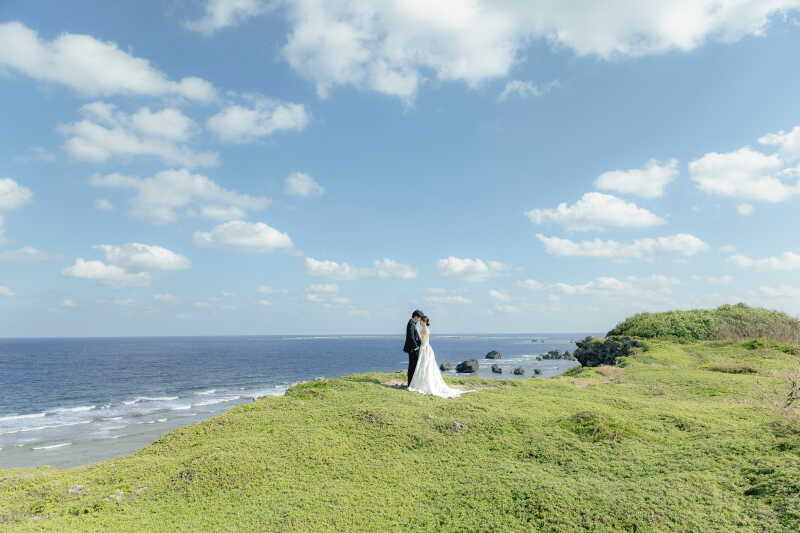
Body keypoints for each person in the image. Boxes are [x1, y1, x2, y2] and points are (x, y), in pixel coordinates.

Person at [407, 314, 475, 398]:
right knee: (425, 367)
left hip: (425, 349)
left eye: (421, 320)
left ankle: (424, 384)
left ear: (424, 321)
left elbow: (423, 342)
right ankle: (423, 383)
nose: (419, 322)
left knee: (425, 367)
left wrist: (417, 332)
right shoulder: (425, 329)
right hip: (426, 349)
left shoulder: (425, 330)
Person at [403, 310, 423, 387]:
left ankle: (411, 383)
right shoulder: (411, 323)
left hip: (412, 348)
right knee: (412, 366)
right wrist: (416, 347)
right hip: (412, 349)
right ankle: (410, 383)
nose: (419, 320)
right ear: (416, 317)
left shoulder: (412, 323)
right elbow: (411, 337)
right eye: (419, 318)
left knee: (413, 366)